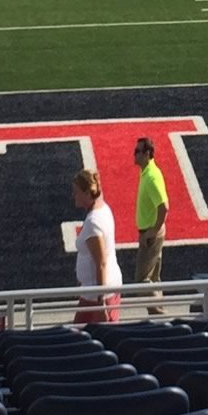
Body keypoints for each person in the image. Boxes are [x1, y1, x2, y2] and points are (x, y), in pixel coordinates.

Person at [71, 167, 123, 324]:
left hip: (98, 294)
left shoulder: (93, 222)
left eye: (76, 191)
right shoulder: (102, 208)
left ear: (87, 193)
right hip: (95, 290)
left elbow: (101, 263)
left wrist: (101, 305)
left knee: (83, 339)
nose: (73, 195)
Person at [134, 137, 169, 306]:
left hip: (151, 232)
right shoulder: (149, 172)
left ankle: (160, 315)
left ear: (147, 154)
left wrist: (152, 232)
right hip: (152, 230)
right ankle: (160, 318)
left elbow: (164, 207)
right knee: (154, 278)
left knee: (141, 280)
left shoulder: (151, 177)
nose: (134, 155)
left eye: (138, 152)